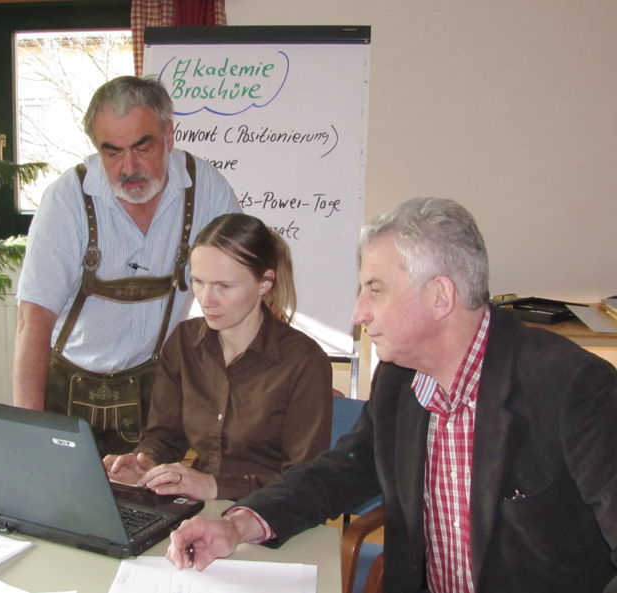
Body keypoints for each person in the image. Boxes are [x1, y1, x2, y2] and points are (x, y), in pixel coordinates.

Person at [166, 198, 617, 593]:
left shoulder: (573, 388)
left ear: (440, 296)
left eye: (375, 290)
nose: (358, 312)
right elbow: (341, 473)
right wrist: (236, 524)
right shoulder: (400, 381)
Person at [13, 76, 240, 451]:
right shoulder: (67, 200)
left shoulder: (207, 189)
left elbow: (240, 293)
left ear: (168, 136)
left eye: (142, 147)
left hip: (155, 395)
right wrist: (30, 435)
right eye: (112, 152)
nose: (128, 167)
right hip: (66, 391)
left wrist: (277, 378)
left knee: (149, 507)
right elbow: (33, 322)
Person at [103, 213, 333, 501]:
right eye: (198, 282)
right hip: (196, 508)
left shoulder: (304, 361)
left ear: (264, 283)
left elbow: (305, 481)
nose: (206, 299)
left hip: (272, 516)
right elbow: (164, 435)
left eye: (224, 287)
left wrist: (213, 486)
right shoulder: (185, 342)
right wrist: (144, 463)